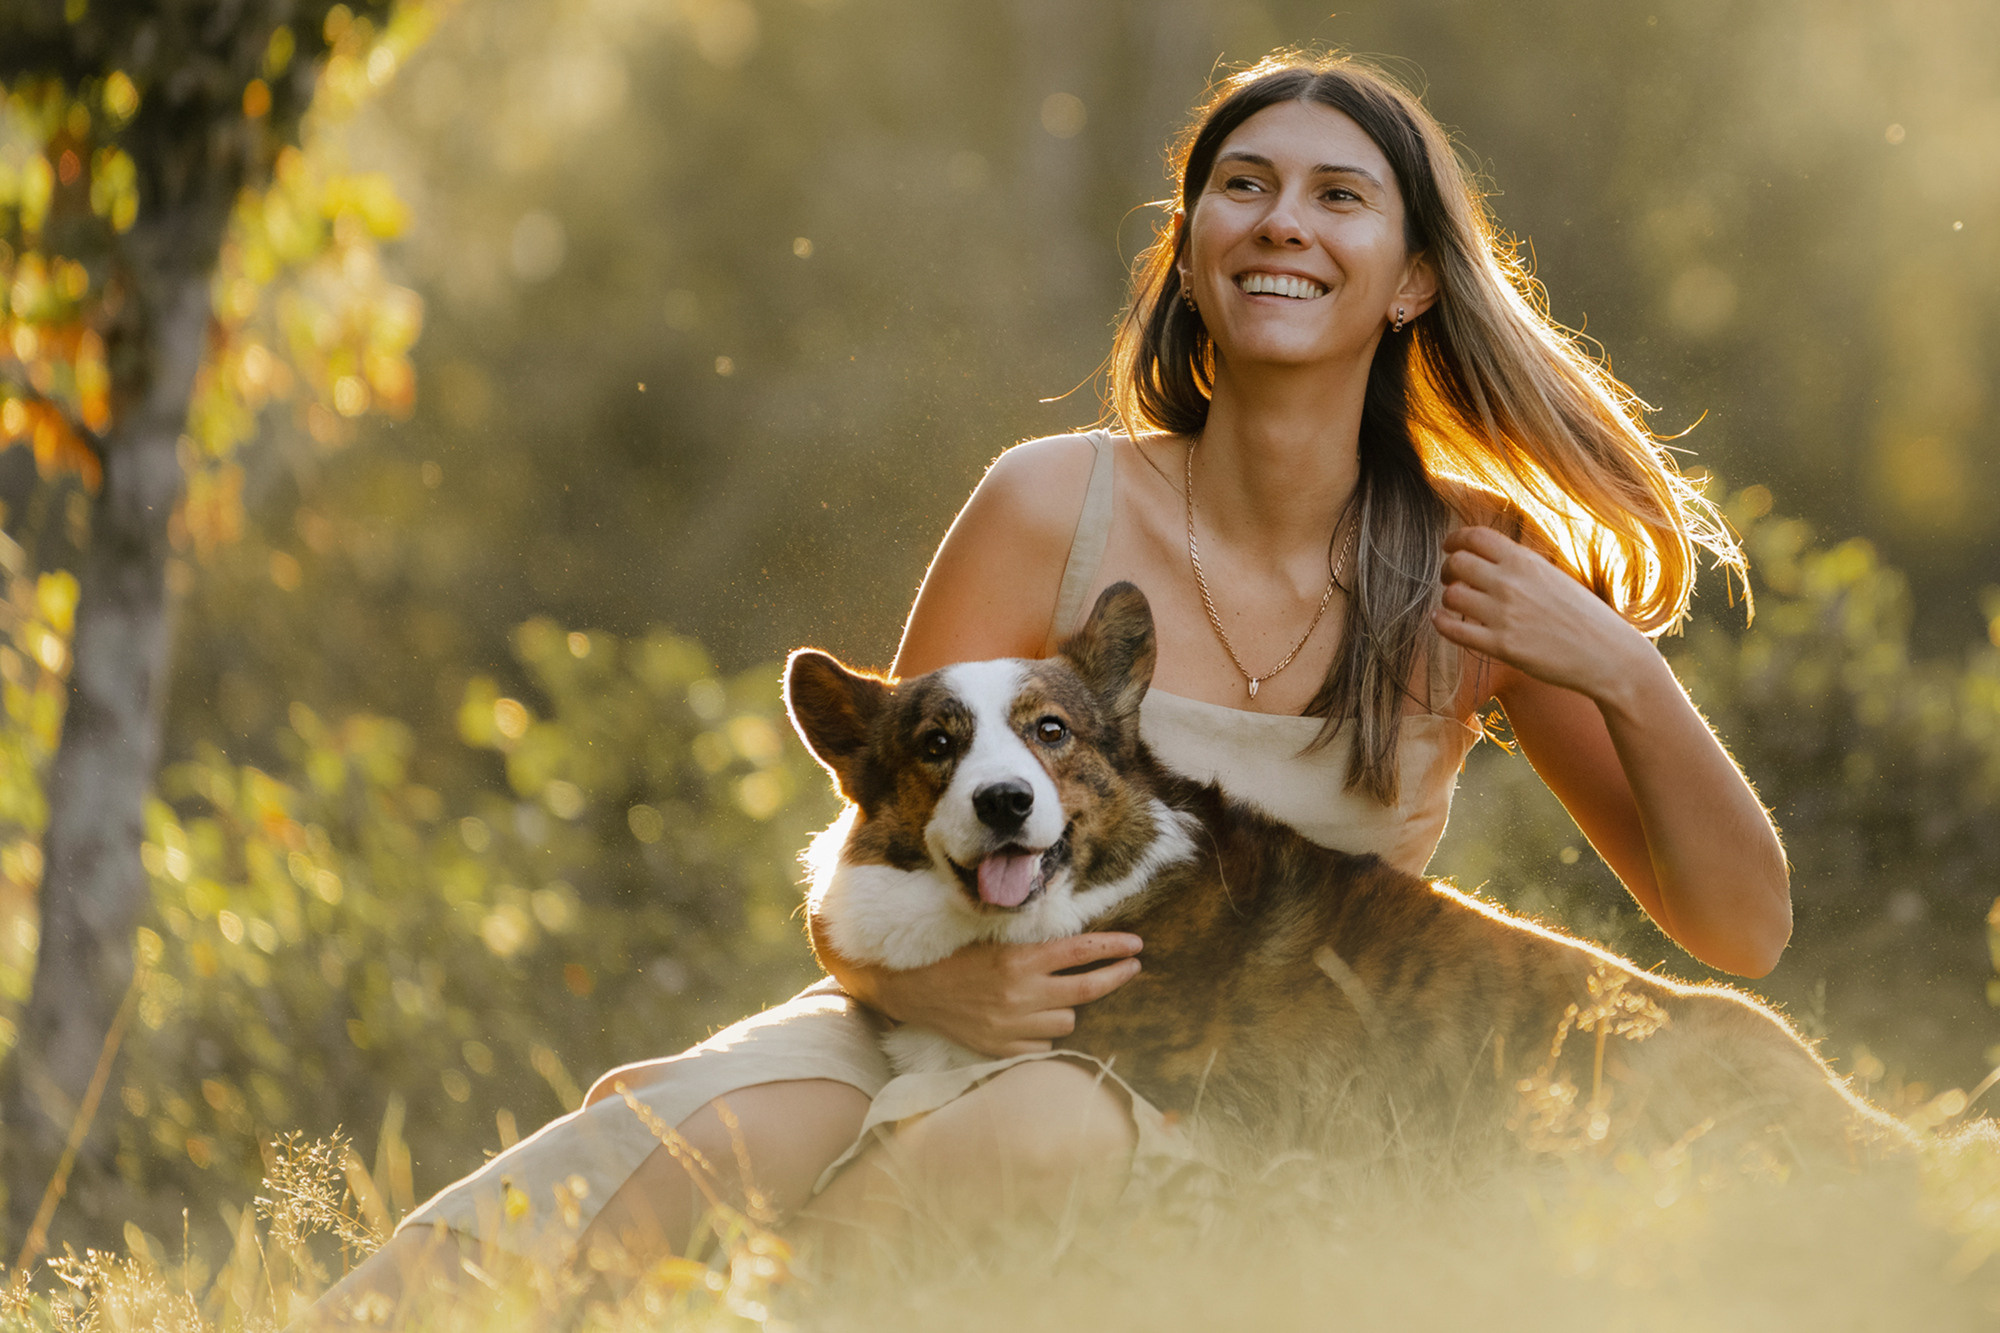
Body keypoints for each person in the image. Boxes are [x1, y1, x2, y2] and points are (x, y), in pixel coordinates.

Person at [305, 48, 1789, 1318]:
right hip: (936, 997)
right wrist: (936, 981)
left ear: (1411, 281)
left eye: (1340, 194)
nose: (1284, 220)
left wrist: (1617, 667)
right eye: (1243, 183)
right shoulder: (1046, 503)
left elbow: (1741, 923)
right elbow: (874, 841)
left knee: (1028, 1133)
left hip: (1226, 1077)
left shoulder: (1471, 563)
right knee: (717, 1129)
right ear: (1193, 245)